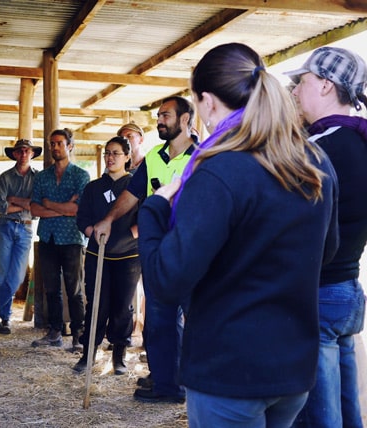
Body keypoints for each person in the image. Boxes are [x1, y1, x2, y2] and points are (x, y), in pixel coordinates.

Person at [139, 42, 339, 426]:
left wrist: (155, 209)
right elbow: (326, 251)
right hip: (292, 365)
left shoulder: (219, 171)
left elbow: (166, 279)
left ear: (208, 102)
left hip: (229, 368)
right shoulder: (314, 161)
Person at [94, 95, 197, 404]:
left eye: (165, 115)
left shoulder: (204, 157)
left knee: (196, 319)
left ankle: (192, 383)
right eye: (158, 116)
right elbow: (133, 194)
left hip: (193, 251)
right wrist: (109, 219)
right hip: (158, 252)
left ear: (184, 120)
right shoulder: (153, 156)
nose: (159, 120)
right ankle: (167, 383)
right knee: (158, 320)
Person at [287, 46, 367, 428]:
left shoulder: (319, 151)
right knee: (346, 404)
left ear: (324, 85)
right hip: (347, 288)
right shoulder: (360, 140)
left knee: (319, 416)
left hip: (317, 289)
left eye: (301, 82)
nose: (295, 92)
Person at [74, 136, 141, 375]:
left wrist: (131, 234)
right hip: (97, 254)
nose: (110, 158)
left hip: (128, 258)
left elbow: (144, 219)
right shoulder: (93, 187)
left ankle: (119, 356)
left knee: (123, 307)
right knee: (96, 306)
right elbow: (82, 218)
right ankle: (88, 354)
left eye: (115, 153)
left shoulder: (136, 186)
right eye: (107, 153)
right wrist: (91, 231)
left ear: (127, 157)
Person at [30, 128, 89, 350]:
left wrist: (50, 205)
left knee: (74, 289)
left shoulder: (80, 175)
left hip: (73, 238)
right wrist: (62, 208)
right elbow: (34, 208)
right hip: (48, 237)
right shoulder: (42, 177)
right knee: (51, 288)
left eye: (59, 143)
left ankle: (78, 334)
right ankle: (55, 332)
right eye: (52, 144)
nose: (55, 147)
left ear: (70, 146)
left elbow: (78, 209)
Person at [0, 139, 41, 335]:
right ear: (14, 154)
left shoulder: (38, 178)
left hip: (26, 228)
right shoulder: (4, 177)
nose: (23, 154)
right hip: (5, 227)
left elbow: (36, 208)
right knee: (2, 275)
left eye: (26, 151)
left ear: (31, 153)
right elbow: (1, 208)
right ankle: (5, 318)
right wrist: (25, 203)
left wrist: (15, 200)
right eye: (19, 151)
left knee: (17, 277)